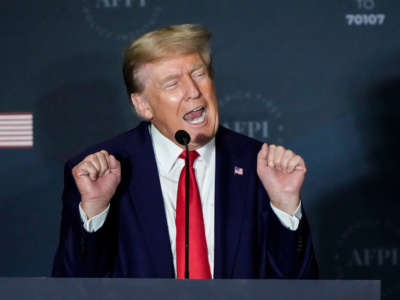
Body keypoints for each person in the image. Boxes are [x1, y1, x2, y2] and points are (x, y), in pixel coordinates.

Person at [52, 24, 318, 279]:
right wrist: (95, 209)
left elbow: (300, 284)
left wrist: (285, 206)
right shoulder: (102, 170)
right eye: (172, 84)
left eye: (199, 74)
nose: (194, 92)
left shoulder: (260, 164)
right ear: (143, 105)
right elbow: (74, 286)